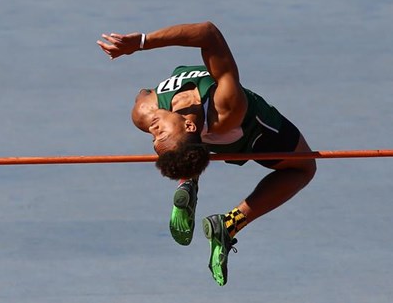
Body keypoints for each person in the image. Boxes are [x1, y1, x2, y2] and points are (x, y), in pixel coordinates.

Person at [97, 21, 317, 286]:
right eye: (157, 136)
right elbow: (208, 35)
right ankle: (228, 223)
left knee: (187, 148)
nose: (154, 129)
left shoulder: (159, 109)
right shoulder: (211, 106)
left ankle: (190, 181)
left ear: (190, 125)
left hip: (229, 132)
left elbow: (206, 34)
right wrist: (141, 43)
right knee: (303, 168)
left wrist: (144, 41)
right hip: (237, 133)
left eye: (157, 134)